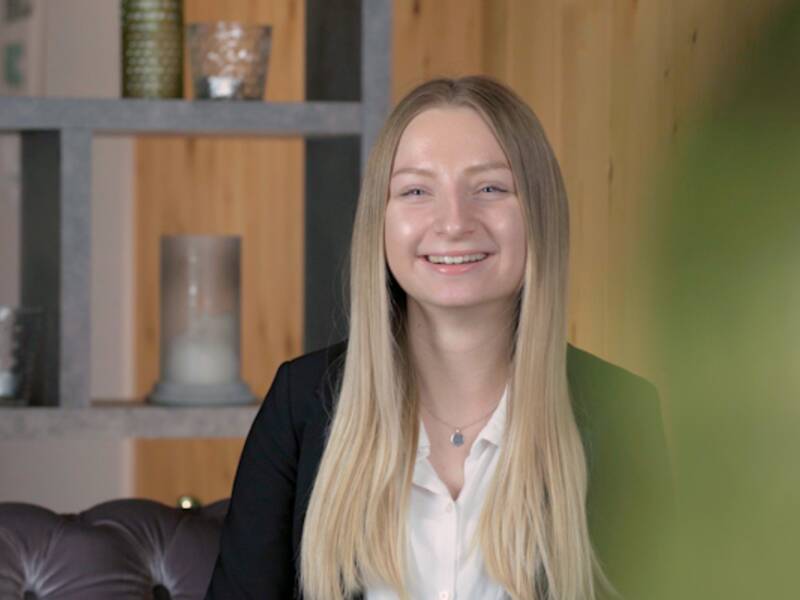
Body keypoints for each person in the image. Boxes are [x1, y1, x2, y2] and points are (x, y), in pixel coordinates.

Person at [205, 76, 672, 600]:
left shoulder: (621, 414)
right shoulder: (301, 404)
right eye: (416, 191)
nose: (453, 223)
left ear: (539, 213)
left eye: (490, 188)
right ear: (379, 222)